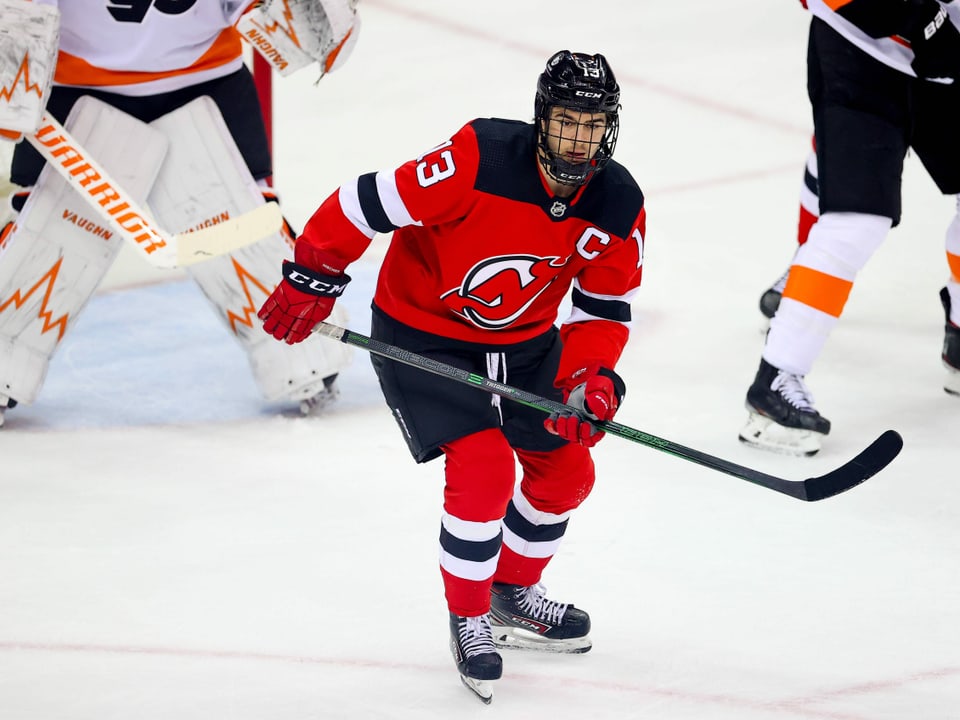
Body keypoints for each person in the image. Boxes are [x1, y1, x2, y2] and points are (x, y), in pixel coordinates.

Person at [257, 50, 645, 702]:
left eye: (591, 123)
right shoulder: (478, 159)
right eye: (565, 121)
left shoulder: (616, 201)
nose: (577, 138)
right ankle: (468, 615)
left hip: (525, 347)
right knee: (485, 468)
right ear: (541, 118)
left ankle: (511, 592)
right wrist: (314, 273)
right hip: (424, 336)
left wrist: (588, 381)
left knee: (568, 469)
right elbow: (361, 203)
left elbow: (604, 308)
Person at [0, 0, 359, 428]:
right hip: (74, 82)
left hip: (207, 77)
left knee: (244, 238)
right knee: (47, 240)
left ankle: (304, 358)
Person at [740, 0, 960, 457]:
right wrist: (917, 15)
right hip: (861, 50)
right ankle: (775, 382)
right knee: (858, 220)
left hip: (942, 62)